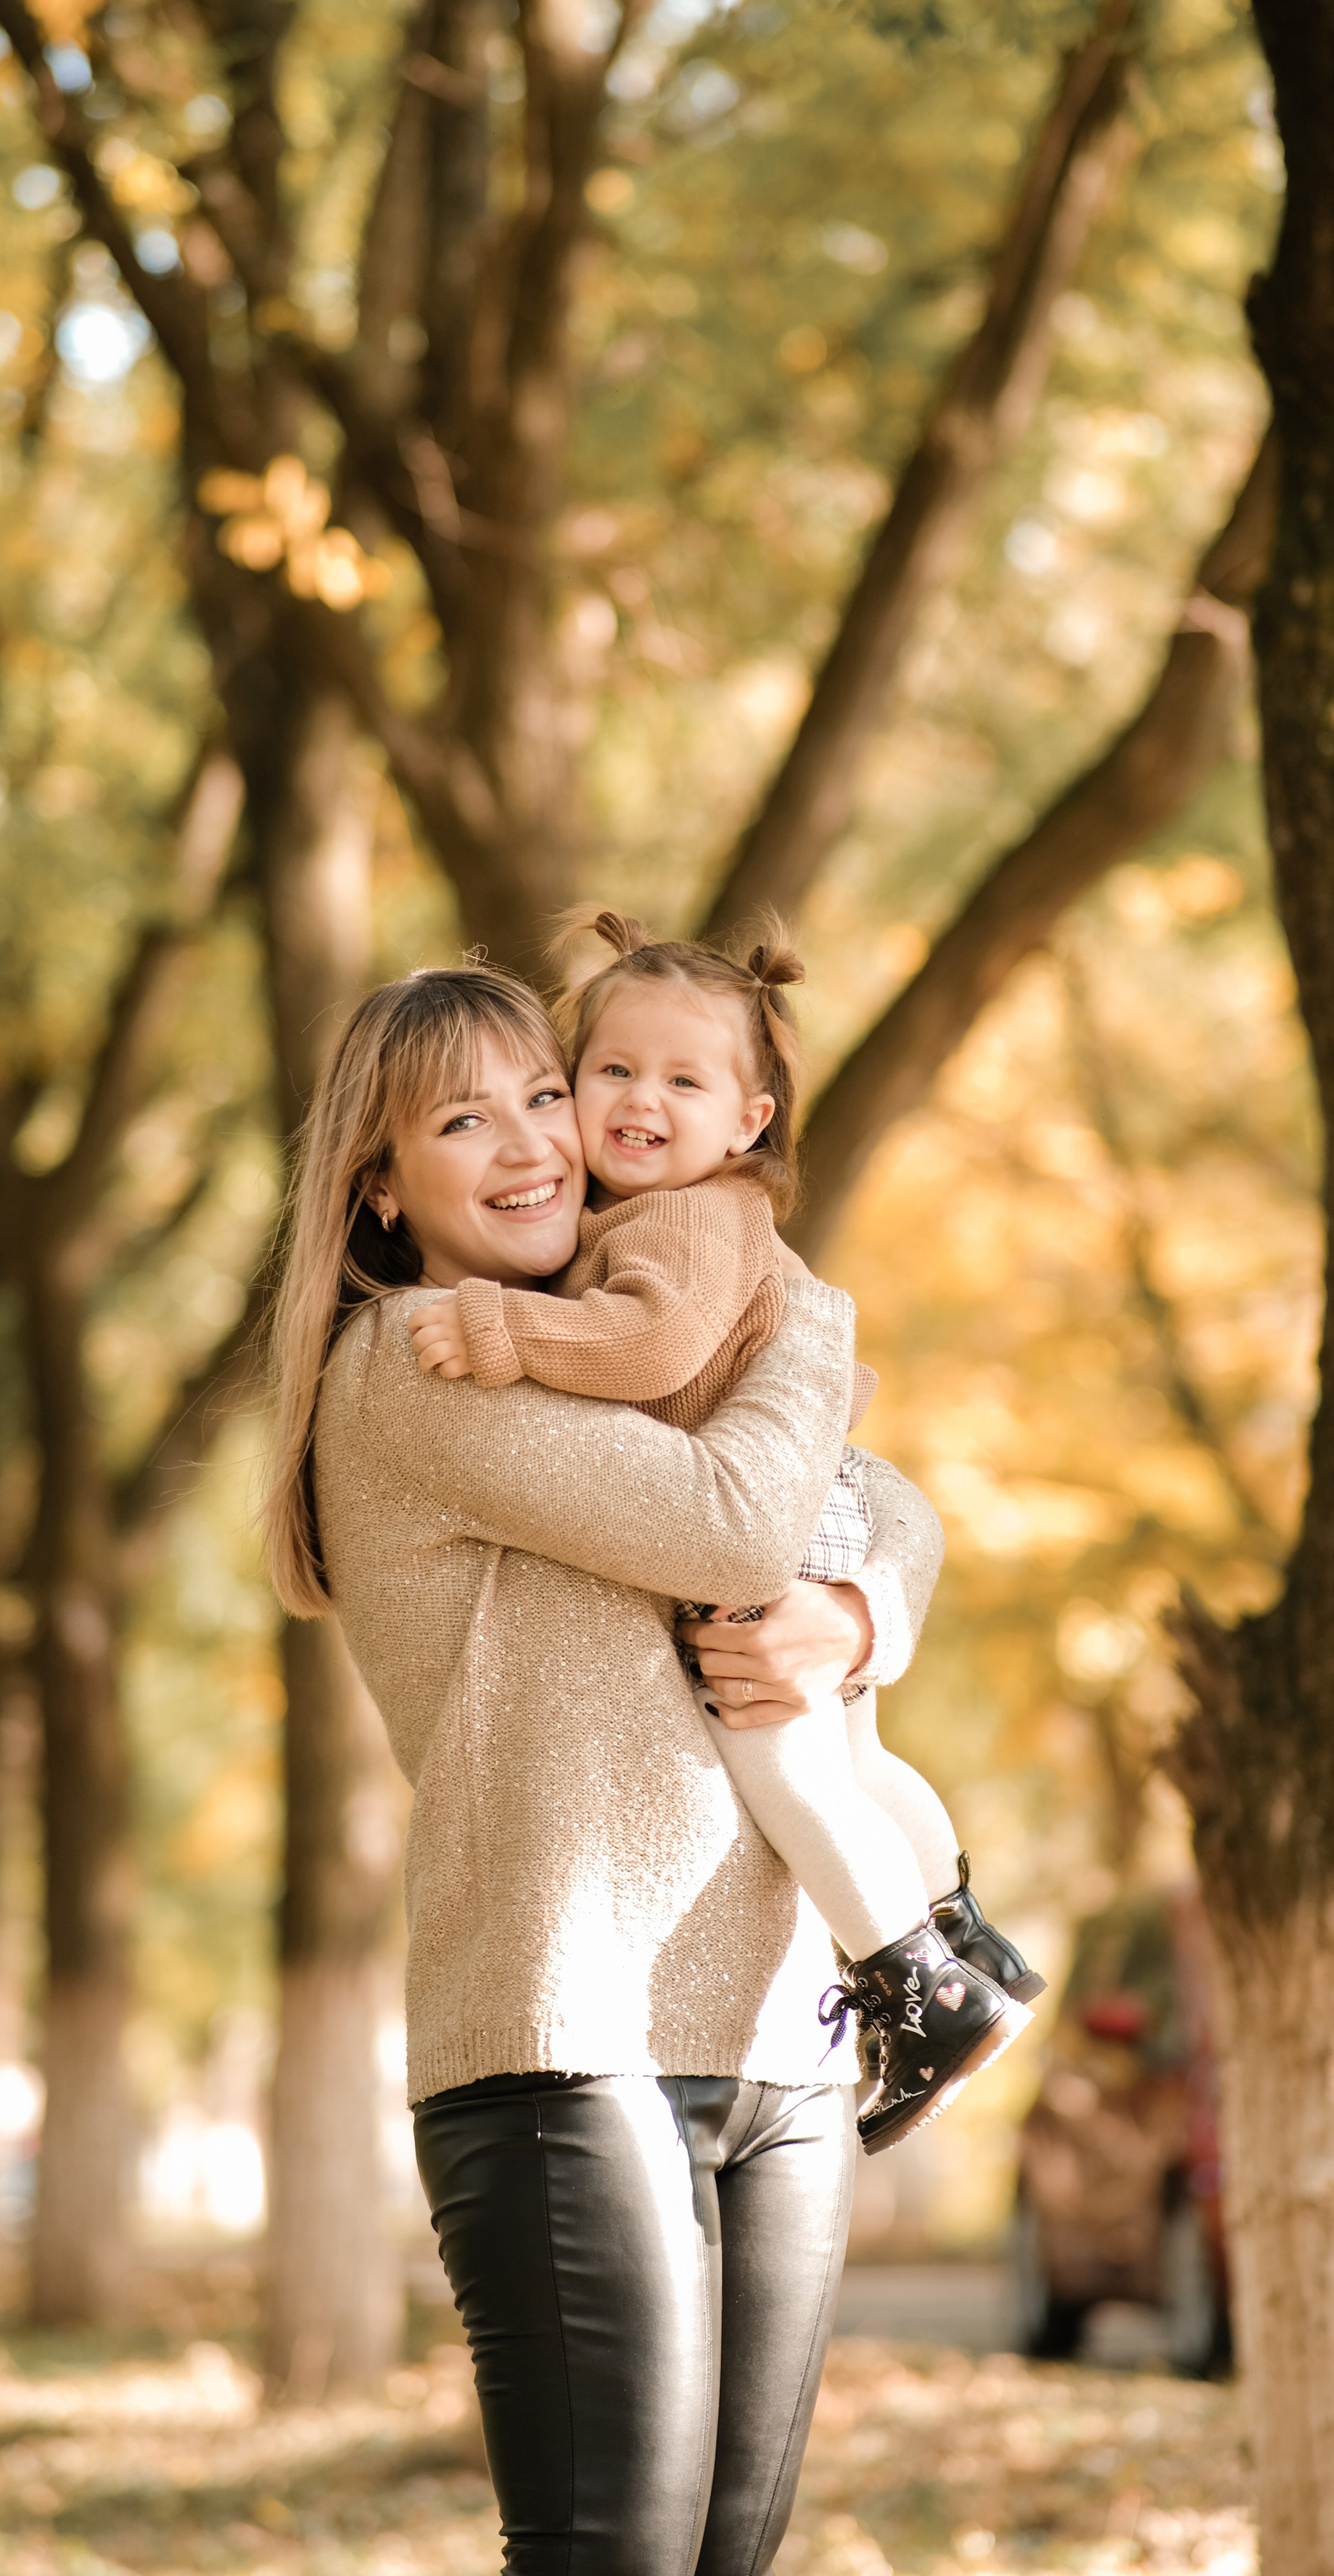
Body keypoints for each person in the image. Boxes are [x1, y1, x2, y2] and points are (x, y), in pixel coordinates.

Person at [264, 960, 946, 2574]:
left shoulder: (601, 1341)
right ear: (379, 1185)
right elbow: (740, 1515)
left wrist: (853, 1617)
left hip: (779, 2031)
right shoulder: (422, 1363)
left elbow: (881, 1504)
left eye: (542, 1096)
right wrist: (808, 1312)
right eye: (459, 1118)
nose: (529, 1144)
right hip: (565, 2039)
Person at [403, 909, 1044, 2154]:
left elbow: (648, 1346)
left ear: (750, 1122)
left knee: (783, 1762)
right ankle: (959, 1927)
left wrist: (501, 1330)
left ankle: (919, 1989)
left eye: (683, 1082)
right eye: (610, 1074)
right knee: (849, 1760)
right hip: (820, 1503)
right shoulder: (669, 1220)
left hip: (791, 1523)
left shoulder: (683, 1222)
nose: (639, 1103)